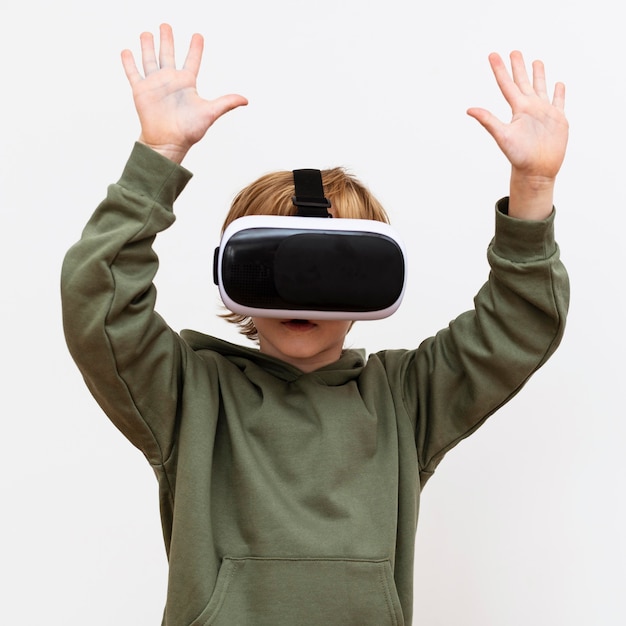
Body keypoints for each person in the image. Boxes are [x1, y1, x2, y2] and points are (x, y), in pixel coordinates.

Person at [61, 23, 569, 626]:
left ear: (367, 286)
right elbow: (98, 302)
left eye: (330, 269)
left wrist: (533, 188)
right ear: (235, 275)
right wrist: (157, 161)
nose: (301, 296)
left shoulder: (405, 400)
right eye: (275, 268)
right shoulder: (188, 397)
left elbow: (519, 326)